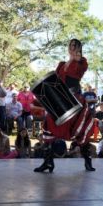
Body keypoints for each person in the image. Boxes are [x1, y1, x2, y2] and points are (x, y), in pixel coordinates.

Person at [34, 38, 95, 173]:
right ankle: (48, 162)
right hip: (60, 100)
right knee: (48, 126)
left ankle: (87, 160)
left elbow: (80, 70)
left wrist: (76, 58)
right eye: (70, 45)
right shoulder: (61, 64)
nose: (72, 47)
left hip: (75, 100)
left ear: (79, 48)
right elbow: (55, 80)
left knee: (80, 131)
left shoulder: (82, 62)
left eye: (75, 46)